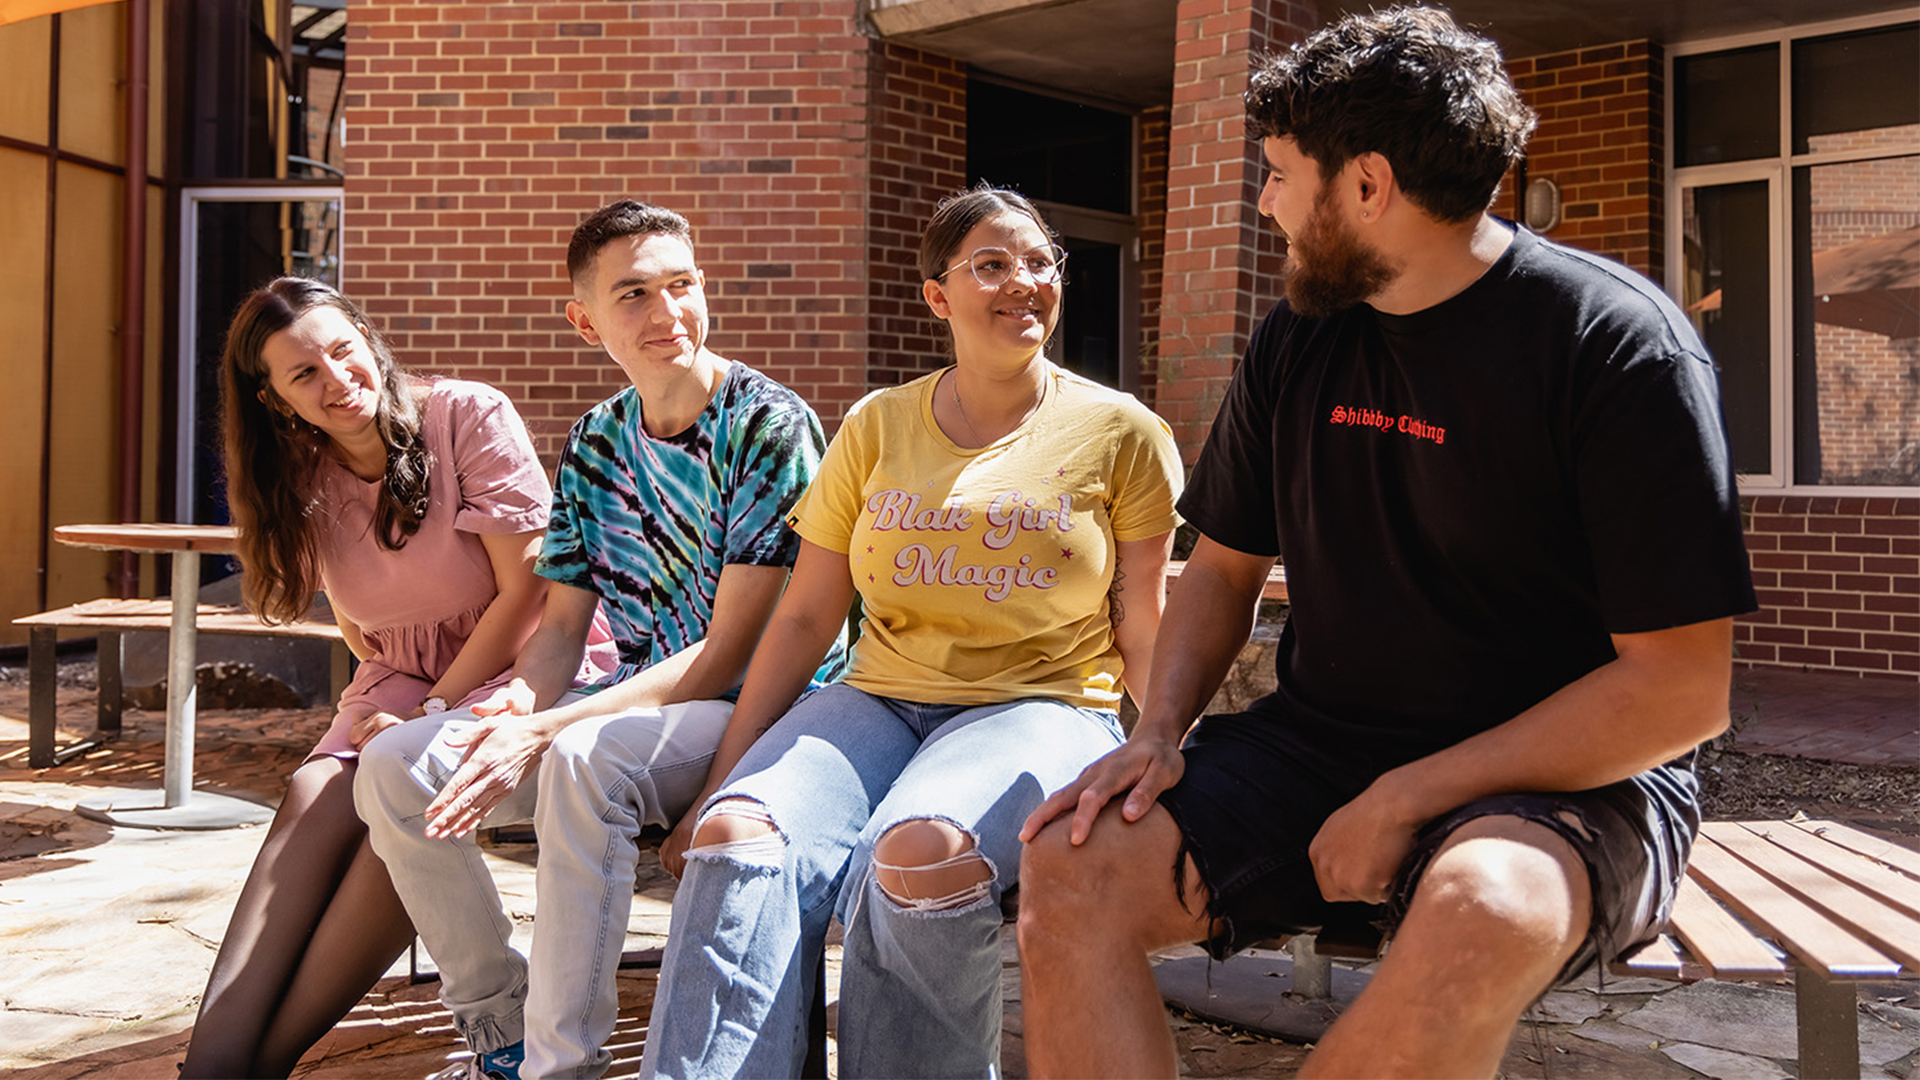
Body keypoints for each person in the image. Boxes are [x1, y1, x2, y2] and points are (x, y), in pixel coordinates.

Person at [1015, 8, 1758, 1078]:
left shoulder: (1616, 347)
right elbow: (1223, 567)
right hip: (1320, 744)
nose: (1263, 201)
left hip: (1569, 781)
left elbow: (1682, 692)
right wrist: (1159, 728)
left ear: (1367, 186)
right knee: (1069, 864)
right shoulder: (1301, 335)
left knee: (1481, 911)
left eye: (1277, 173)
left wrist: (1411, 796)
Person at [637, 184, 1185, 1079]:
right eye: (992, 265)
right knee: (739, 837)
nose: (1024, 283)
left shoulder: (1121, 431)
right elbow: (810, 615)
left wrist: (1167, 745)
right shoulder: (876, 424)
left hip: (1042, 706)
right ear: (938, 295)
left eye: (1041, 263)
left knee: (918, 855)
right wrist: (721, 778)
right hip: (876, 701)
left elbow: (1142, 614)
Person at [353, 199, 841, 1080]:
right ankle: (501, 1028)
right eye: (634, 295)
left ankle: (559, 1064)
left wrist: (543, 730)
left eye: (682, 285)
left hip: (761, 712)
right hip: (642, 704)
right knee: (398, 768)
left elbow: (732, 649)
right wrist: (494, 713)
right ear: (585, 321)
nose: (667, 314)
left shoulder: (770, 426)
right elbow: (561, 630)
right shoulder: (594, 441)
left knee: (583, 758)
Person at [183, 277, 595, 1079]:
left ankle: (239, 1068)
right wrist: (387, 695)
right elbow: (354, 613)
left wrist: (434, 706)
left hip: (520, 663)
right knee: (310, 797)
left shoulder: (465, 414)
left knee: (391, 807)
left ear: (368, 341)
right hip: (402, 678)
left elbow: (530, 593)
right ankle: (218, 1066)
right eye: (304, 373)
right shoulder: (297, 473)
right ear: (273, 398)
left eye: (343, 350)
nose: (337, 380)